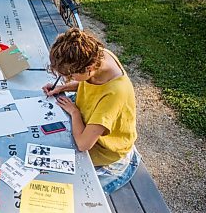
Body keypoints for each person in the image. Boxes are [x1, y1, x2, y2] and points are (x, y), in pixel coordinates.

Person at [42, 28, 141, 194]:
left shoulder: (115, 93)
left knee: (70, 194)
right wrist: (64, 87)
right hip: (89, 121)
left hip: (109, 156)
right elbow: (88, 82)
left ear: (88, 67)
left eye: (70, 75)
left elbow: (83, 144)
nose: (68, 78)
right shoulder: (98, 55)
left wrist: (74, 112)